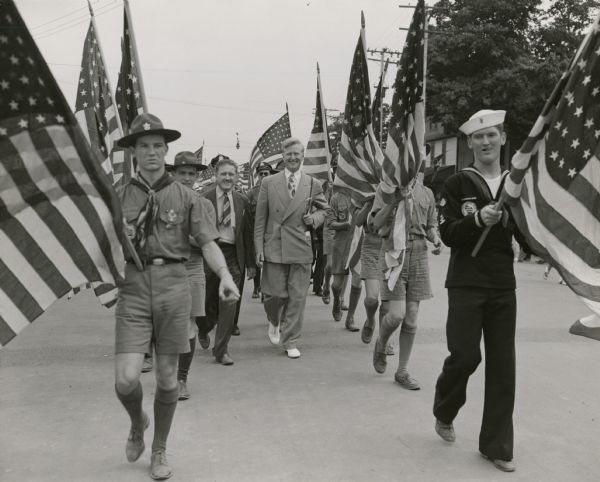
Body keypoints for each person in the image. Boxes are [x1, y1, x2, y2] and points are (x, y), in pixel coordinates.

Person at [114, 113, 240, 480]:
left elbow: (208, 242)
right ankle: (138, 421)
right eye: (143, 146)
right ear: (133, 152)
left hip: (174, 284)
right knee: (125, 380)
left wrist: (225, 276)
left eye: (157, 146)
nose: (151, 152)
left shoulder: (187, 198)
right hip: (134, 286)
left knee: (168, 379)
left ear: (165, 151)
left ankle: (159, 449)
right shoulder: (118, 196)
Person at [432, 109, 523, 473]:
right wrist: (476, 220)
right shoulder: (457, 184)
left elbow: (528, 235)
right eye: (479, 137)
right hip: (466, 282)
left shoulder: (515, 185)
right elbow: (447, 232)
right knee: (466, 356)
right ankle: (445, 409)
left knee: (504, 366)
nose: (486, 142)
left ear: (502, 138)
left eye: (492, 135)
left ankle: (496, 445)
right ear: (469, 143)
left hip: (503, 283)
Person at [254, 137, 328, 358]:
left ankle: (291, 340)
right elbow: (260, 219)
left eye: (296, 154)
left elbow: (325, 210)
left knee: (297, 297)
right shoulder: (269, 183)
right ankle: (274, 320)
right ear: (283, 157)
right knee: (273, 295)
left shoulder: (313, 184)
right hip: (274, 245)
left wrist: (313, 219)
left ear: (302, 156)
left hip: (300, 245)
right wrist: (258, 247)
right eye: (289, 154)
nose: (293, 158)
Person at [370, 163, 442, 389]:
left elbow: (430, 225)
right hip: (394, 251)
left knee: (412, 316)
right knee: (397, 315)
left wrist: (436, 239)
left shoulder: (426, 193)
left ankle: (402, 371)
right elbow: (375, 225)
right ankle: (381, 342)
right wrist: (394, 201)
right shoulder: (385, 190)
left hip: (419, 253)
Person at [165, 151, 214, 401]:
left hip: (193, 269)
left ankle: (181, 379)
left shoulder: (204, 204)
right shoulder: (158, 201)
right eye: (182, 173)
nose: (186, 178)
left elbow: (208, 242)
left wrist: (184, 236)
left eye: (191, 174)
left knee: (189, 326)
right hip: (164, 270)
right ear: (172, 174)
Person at [197, 157, 255, 365]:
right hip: (210, 252)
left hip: (233, 254)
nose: (228, 178)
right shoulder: (204, 199)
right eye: (224, 174)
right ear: (216, 176)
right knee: (206, 302)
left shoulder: (242, 201)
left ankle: (221, 350)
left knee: (230, 304)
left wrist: (250, 263)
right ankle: (203, 327)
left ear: (237, 177)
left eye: (231, 174)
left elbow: (247, 234)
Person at [327, 188, 362, 331]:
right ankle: (337, 300)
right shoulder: (336, 198)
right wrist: (344, 225)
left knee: (357, 280)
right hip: (341, 243)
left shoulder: (363, 195)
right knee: (336, 285)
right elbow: (330, 223)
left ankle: (350, 317)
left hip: (359, 242)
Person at [245, 162, 276, 299]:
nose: (263, 176)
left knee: (270, 261)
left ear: (270, 175)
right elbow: (247, 214)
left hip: (271, 231)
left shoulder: (276, 190)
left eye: (266, 174)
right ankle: (257, 287)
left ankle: (267, 288)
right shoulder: (251, 193)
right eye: (261, 174)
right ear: (257, 175)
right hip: (255, 231)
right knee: (258, 259)